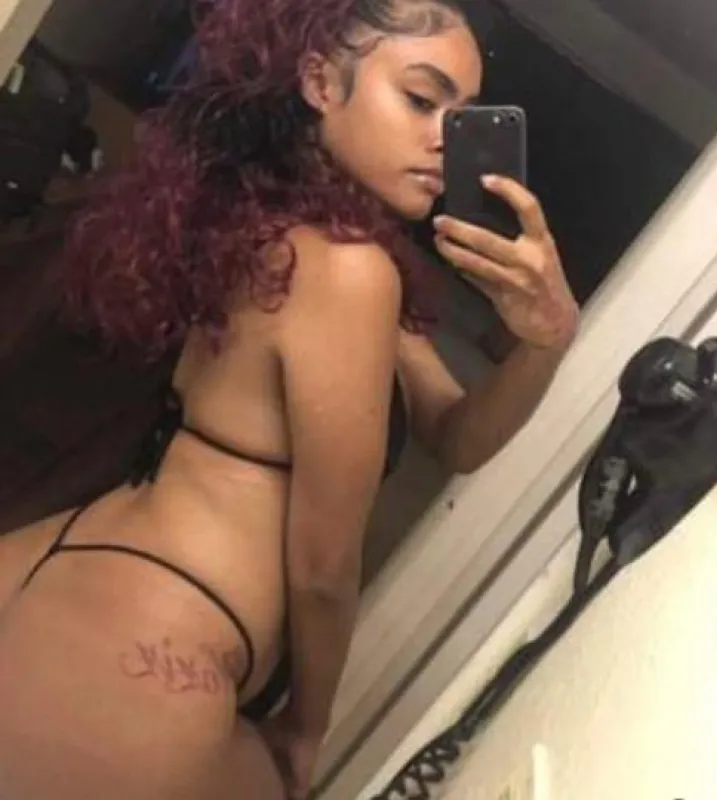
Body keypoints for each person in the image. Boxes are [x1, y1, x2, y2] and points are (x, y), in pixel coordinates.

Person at [0, 0, 579, 797]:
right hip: (154, 637)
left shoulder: (276, 231)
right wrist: (308, 726)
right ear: (318, 82)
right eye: (420, 100)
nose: (444, 140)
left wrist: (548, 337)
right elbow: (322, 568)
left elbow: (457, 435)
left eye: (462, 118)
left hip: (78, 568)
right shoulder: (348, 274)